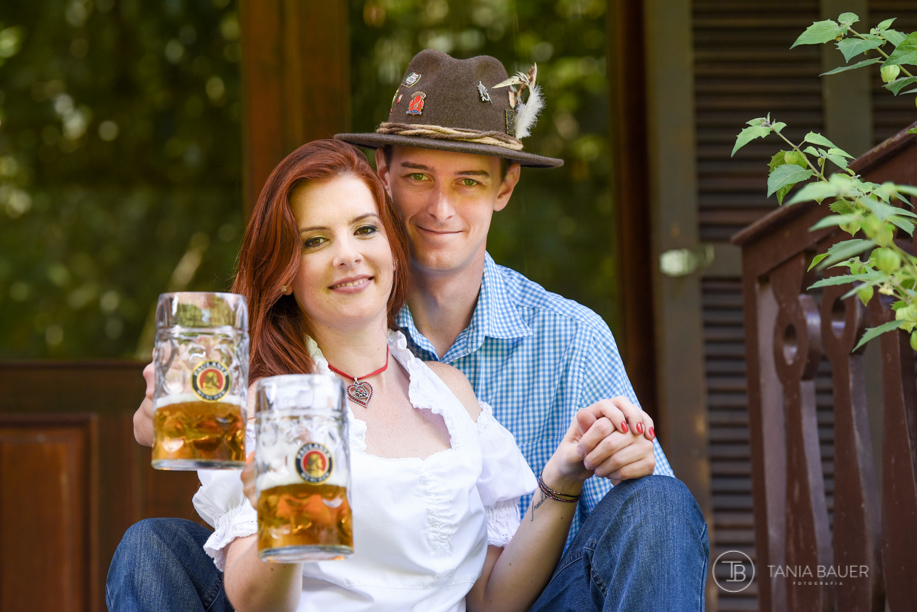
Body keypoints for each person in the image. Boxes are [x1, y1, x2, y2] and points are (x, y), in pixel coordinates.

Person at [108, 50, 708, 611]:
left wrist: (583, 469)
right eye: (419, 176)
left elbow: (516, 587)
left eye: (469, 181)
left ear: (505, 187)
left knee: (659, 502)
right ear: (385, 175)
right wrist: (173, 413)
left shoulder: (553, 345)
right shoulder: (272, 377)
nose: (441, 209)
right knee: (152, 545)